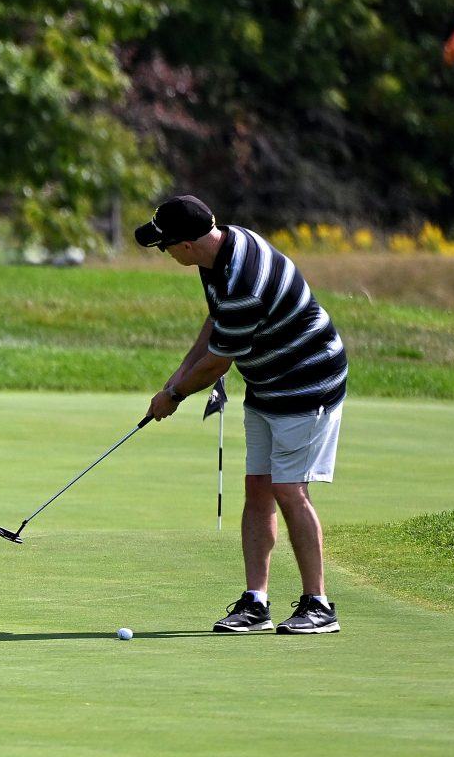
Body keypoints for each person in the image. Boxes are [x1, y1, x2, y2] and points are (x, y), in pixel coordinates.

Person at [136, 194, 347, 635]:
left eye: (164, 246)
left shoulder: (243, 280)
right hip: (269, 383)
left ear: (186, 244)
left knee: (289, 488)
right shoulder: (217, 253)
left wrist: (175, 394)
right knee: (258, 488)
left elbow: (218, 362)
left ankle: (319, 605)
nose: (164, 253)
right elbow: (215, 323)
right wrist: (176, 377)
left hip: (309, 382)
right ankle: (256, 602)